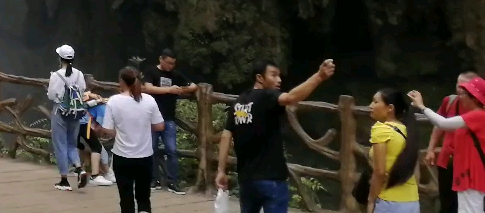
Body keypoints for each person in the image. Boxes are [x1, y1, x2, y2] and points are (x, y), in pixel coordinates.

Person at [215, 59, 337, 213]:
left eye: (279, 76)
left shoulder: (238, 102)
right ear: (259, 78)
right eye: (273, 75)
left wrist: (221, 170)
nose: (279, 80)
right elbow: (290, 98)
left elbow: (226, 136)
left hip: (247, 181)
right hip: (271, 179)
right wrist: (319, 76)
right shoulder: (267, 96)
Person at [412, 78, 485, 213]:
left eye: (464, 94)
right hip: (466, 174)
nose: (460, 97)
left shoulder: (478, 116)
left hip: (472, 175)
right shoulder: (473, 116)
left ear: (475, 99)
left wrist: (422, 107)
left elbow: (443, 123)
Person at [98, 68, 165, 213]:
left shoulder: (114, 101)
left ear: (121, 81)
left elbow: (106, 129)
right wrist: (143, 127)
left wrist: (120, 132)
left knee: (126, 197)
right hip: (145, 156)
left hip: (122, 157)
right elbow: (160, 125)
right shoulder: (149, 100)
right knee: (144, 198)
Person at [141, 49, 197, 194]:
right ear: (161, 59)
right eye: (168, 63)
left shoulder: (176, 75)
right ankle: (154, 179)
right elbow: (148, 88)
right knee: (151, 149)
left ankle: (173, 181)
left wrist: (181, 90)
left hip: (169, 118)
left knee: (172, 150)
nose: (171, 66)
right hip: (152, 117)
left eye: (173, 64)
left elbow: (193, 86)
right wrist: (168, 90)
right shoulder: (151, 71)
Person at [428, 73, 480, 213]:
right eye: (458, 85)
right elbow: (439, 125)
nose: (459, 89)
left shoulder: (478, 112)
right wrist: (431, 149)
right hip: (448, 161)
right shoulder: (450, 101)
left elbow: (442, 122)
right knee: (448, 202)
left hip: (470, 165)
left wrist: (422, 107)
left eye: (463, 88)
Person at [363, 88, 419, 213]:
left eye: (375, 102)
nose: (370, 106)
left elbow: (380, 172)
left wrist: (371, 200)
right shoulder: (407, 130)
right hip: (412, 202)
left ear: (390, 108)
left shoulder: (382, 130)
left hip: (389, 202)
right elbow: (416, 171)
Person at [48, 44, 88, 190]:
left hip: (60, 112)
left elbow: (52, 95)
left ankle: (64, 180)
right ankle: (79, 169)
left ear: (60, 58)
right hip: (76, 113)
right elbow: (82, 90)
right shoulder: (79, 74)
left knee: (60, 145)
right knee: (72, 144)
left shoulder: (56, 75)